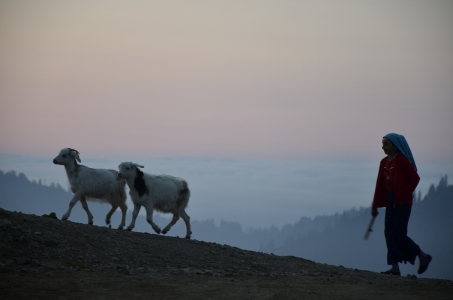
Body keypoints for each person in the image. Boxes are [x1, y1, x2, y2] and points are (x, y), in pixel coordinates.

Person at [371, 133, 432, 276]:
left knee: (398, 234)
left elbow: (415, 178)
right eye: (383, 144)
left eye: (386, 144)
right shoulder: (384, 162)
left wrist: (404, 197)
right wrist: (375, 205)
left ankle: (422, 255)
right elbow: (380, 185)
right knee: (389, 232)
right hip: (391, 200)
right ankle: (395, 267)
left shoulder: (401, 160)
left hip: (403, 202)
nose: (383, 147)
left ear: (395, 146)